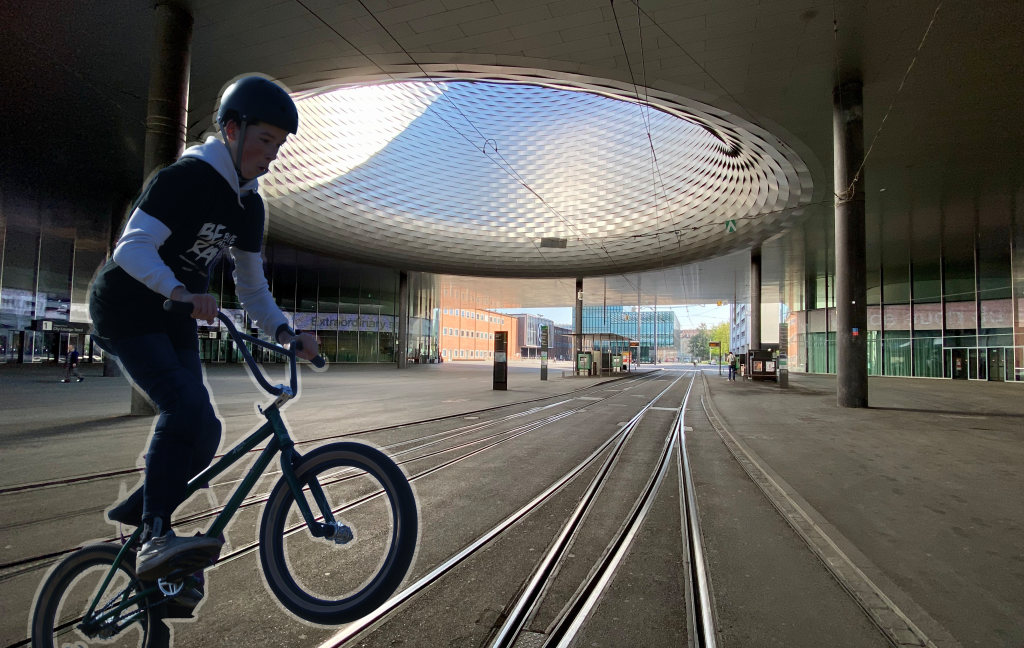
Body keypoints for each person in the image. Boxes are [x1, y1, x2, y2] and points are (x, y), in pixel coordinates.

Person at [90, 77, 318, 606]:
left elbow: (253, 289)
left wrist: (285, 333)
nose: (270, 156)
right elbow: (132, 248)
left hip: (174, 315)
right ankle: (153, 534)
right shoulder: (184, 179)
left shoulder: (250, 208)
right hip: (126, 307)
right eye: (263, 140)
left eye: (278, 146)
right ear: (231, 130)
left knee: (207, 430)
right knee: (184, 405)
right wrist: (176, 288)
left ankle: (149, 525)